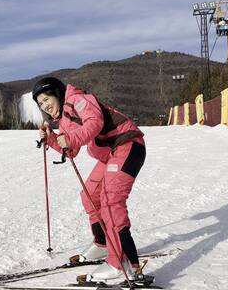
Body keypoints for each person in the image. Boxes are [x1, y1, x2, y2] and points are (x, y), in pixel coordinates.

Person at [33, 77, 146, 282]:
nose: (45, 105)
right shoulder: (64, 119)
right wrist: (51, 138)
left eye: (46, 98)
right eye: (40, 103)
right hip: (110, 153)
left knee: (111, 202)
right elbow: (72, 150)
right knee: (90, 196)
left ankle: (123, 263)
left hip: (127, 145)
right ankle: (103, 244)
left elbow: (95, 122)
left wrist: (70, 138)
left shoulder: (77, 99)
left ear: (58, 93)